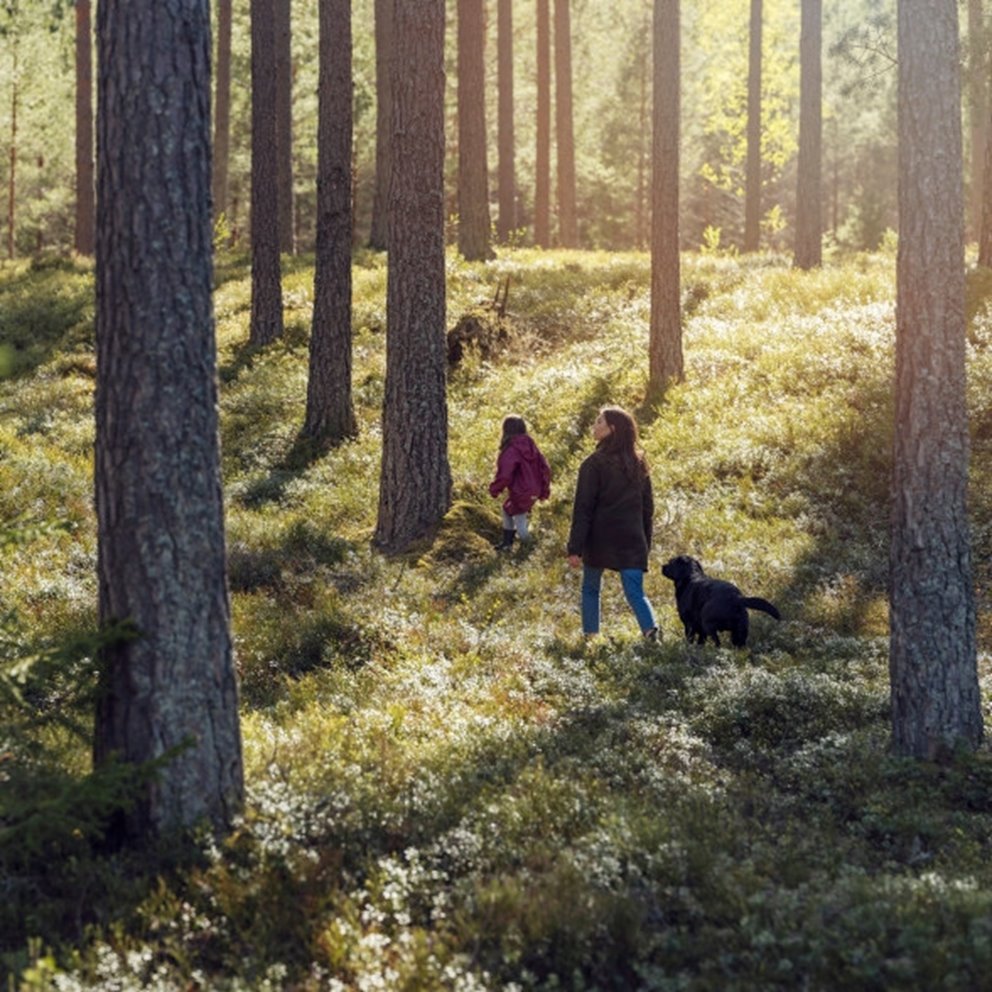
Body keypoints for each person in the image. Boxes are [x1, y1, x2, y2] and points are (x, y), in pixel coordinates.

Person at [566, 406, 659, 640]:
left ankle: (591, 637)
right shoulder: (639, 463)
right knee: (635, 592)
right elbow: (647, 508)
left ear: (612, 429)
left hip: (600, 538)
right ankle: (650, 631)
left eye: (599, 422)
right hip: (631, 538)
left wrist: (575, 547)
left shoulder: (593, 464)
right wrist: (645, 542)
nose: (594, 426)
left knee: (591, 588)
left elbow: (583, 507)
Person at [489, 415, 552, 550]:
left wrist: (495, 489)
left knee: (520, 521)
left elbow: (505, 474)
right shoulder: (532, 447)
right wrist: (544, 490)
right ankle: (507, 544)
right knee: (507, 509)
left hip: (521, 490)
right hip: (533, 489)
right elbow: (545, 469)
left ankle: (530, 549)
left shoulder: (511, 449)